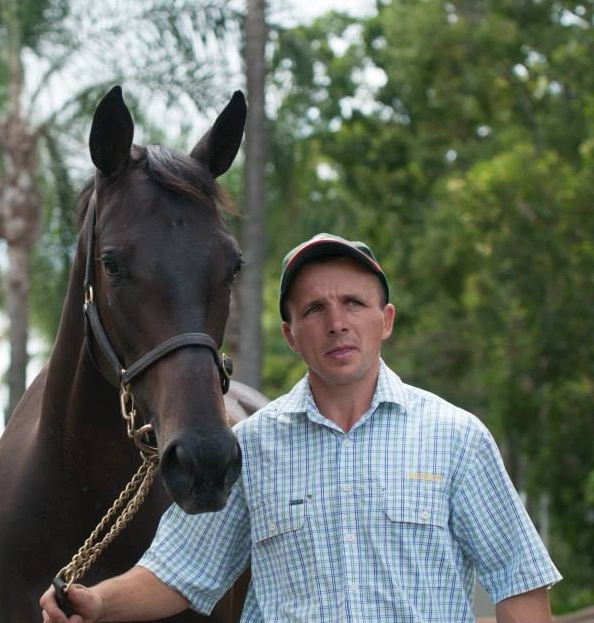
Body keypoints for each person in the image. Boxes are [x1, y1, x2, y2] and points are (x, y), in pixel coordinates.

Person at [40, 232, 562, 623]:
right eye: (315, 309)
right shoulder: (252, 448)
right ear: (291, 335)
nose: (337, 322)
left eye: (354, 303)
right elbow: (178, 572)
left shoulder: (457, 439)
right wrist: (98, 602)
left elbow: (517, 581)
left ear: (386, 320)